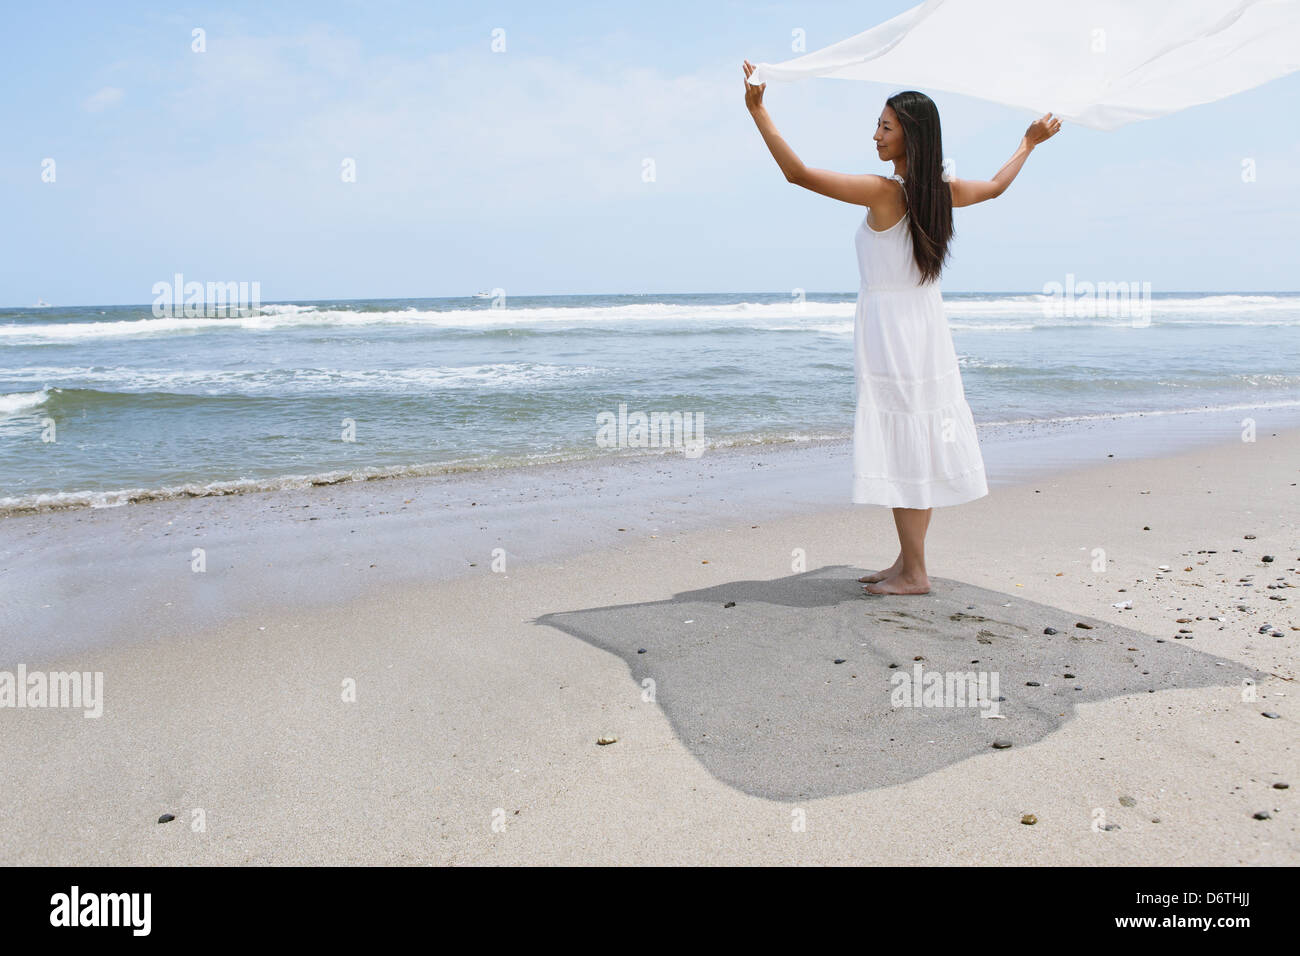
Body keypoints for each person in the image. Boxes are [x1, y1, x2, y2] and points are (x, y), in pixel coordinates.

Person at [743, 62, 1061, 595]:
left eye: (885, 127)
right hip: (922, 326)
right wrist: (1028, 143)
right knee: (911, 438)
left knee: (904, 441)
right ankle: (906, 561)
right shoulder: (942, 191)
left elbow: (797, 174)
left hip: (893, 331)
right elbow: (999, 187)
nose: (875, 134)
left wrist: (758, 111)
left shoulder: (885, 192)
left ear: (910, 134)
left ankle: (915, 573)